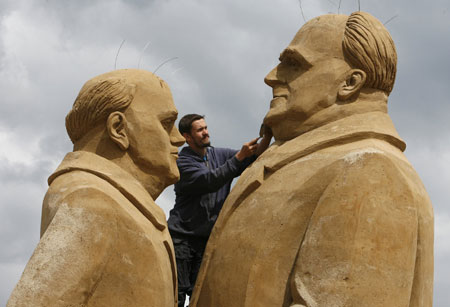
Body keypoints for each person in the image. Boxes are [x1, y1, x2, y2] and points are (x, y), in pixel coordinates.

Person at [190, 12, 433, 307]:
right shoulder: (311, 162)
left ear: (350, 82)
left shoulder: (371, 170)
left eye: (293, 64)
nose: (271, 76)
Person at [8, 69, 185, 307]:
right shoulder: (92, 200)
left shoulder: (124, 207)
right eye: (166, 124)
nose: (178, 138)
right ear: (118, 129)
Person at [167, 114, 271, 306]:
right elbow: (210, 180)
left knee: (202, 295)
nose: (206, 132)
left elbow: (255, 157)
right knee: (176, 294)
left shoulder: (218, 154)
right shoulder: (182, 162)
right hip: (182, 238)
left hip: (207, 240)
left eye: (205, 128)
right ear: (187, 137)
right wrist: (240, 156)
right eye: (200, 130)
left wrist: (268, 135)